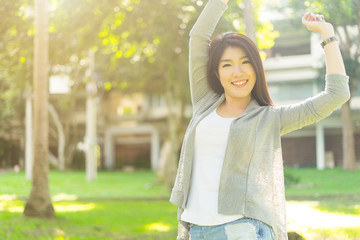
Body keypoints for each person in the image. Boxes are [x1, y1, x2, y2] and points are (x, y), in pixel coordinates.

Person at [169, 0, 350, 239]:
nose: (238, 72)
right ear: (216, 73)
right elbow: (198, 36)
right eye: (227, 65)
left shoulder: (269, 118)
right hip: (195, 229)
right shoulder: (204, 102)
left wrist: (327, 36)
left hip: (240, 230)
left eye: (245, 62)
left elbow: (336, 95)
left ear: (256, 68)